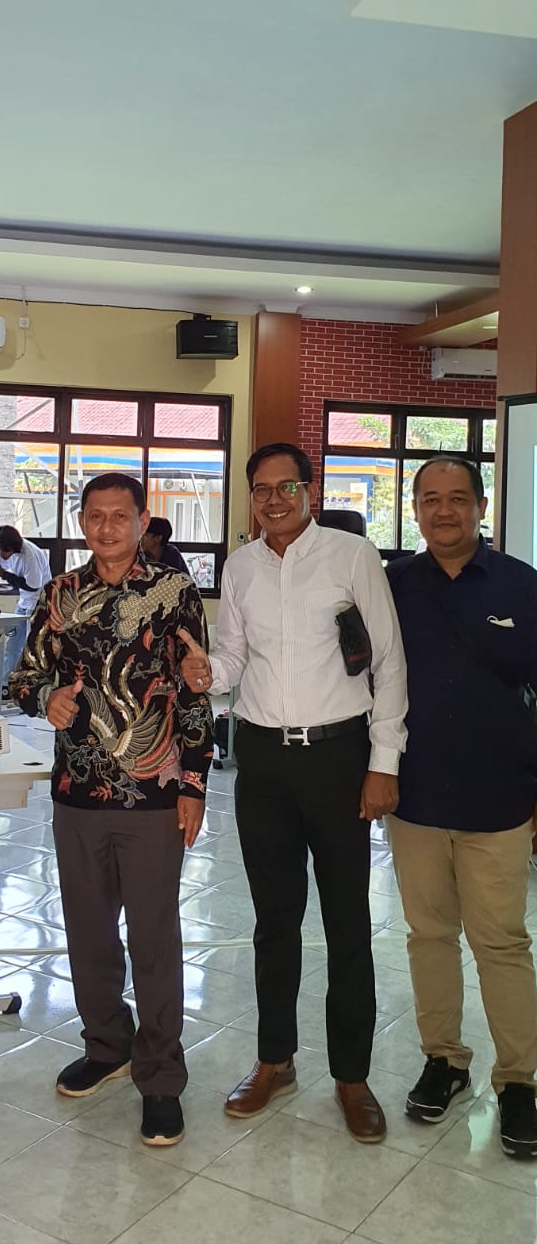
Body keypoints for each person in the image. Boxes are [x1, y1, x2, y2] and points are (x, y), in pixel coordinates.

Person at [179, 441, 407, 1143]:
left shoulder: (351, 555)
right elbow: (234, 657)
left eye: (286, 487)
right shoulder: (241, 566)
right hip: (263, 765)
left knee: (346, 924)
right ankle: (274, 1060)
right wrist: (207, 673)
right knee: (274, 922)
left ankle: (351, 1077)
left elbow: (389, 661)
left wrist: (384, 762)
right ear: (250, 497)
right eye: (261, 489)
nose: (273, 500)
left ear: (310, 491)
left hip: (339, 758)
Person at [10, 473, 213, 1147]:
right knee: (88, 930)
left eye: (118, 516)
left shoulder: (173, 592)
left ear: (141, 520)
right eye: (94, 516)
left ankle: (160, 1077)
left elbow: (193, 687)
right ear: (81, 521)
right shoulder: (59, 594)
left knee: (153, 937)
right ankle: (107, 1045)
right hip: (77, 792)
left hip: (154, 795)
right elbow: (22, 676)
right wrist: (45, 699)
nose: (106, 527)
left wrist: (193, 783)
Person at [386, 455, 537, 1160]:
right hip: (414, 797)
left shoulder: (521, 585)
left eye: (456, 498)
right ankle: (443, 1059)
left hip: (499, 798)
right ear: (414, 508)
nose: (442, 511)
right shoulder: (392, 586)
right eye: (429, 499)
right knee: (428, 936)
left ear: (481, 505)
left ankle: (519, 1081)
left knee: (501, 942)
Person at [0, 524, 51, 695]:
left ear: (12, 547)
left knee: (30, 649)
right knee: (12, 647)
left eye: (2, 551)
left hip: (37, 605)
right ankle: (4, 687)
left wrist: (4, 575)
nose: (1, 554)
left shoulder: (30, 555)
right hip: (23, 603)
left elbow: (32, 585)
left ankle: (28, 689)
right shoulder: (11, 552)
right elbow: (3, 564)